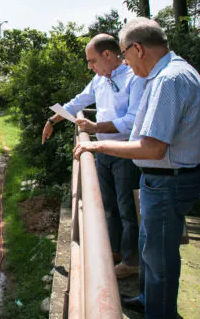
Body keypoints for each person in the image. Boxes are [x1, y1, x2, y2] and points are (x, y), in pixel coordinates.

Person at [73, 18, 200, 318]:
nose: (126, 62)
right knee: (150, 249)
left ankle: (158, 312)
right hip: (163, 180)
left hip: (166, 182)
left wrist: (96, 144)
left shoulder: (168, 81)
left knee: (159, 259)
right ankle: (148, 300)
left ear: (137, 48)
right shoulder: (173, 71)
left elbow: (152, 147)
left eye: (125, 54)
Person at [43, 34, 144, 279]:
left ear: (107, 55)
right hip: (103, 152)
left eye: (91, 61)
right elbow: (78, 101)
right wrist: (51, 120)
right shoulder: (99, 80)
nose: (89, 66)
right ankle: (116, 251)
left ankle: (132, 261)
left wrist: (96, 127)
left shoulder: (134, 78)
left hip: (125, 153)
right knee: (109, 206)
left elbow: (132, 122)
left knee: (127, 208)